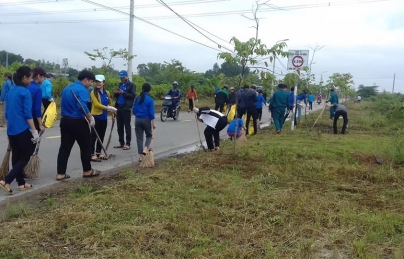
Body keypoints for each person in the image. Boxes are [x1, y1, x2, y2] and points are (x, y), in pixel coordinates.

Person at [0, 66, 39, 194]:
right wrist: (34, 131)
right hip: (22, 130)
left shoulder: (11, 90)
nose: (32, 80)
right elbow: (28, 114)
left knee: (16, 156)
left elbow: (6, 113)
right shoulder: (25, 92)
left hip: (11, 129)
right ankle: (6, 180)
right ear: (24, 78)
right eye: (30, 77)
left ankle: (21, 183)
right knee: (25, 157)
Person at [56, 70, 100, 181]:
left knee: (64, 148)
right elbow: (82, 105)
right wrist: (90, 116)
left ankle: (60, 173)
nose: (91, 84)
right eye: (90, 81)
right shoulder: (82, 90)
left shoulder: (67, 88)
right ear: (85, 79)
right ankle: (87, 171)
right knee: (86, 146)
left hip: (65, 121)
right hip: (78, 122)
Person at [90, 75, 117, 162]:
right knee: (94, 136)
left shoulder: (107, 93)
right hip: (95, 117)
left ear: (103, 83)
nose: (97, 83)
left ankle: (98, 152)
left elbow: (109, 103)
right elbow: (97, 105)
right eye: (96, 81)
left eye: (99, 82)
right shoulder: (93, 92)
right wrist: (108, 108)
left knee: (101, 135)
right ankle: (91, 154)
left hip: (104, 117)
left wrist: (112, 114)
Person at [133, 83, 156, 162]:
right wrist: (153, 123)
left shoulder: (137, 98)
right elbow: (151, 113)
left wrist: (138, 115)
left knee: (139, 138)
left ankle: (140, 157)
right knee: (149, 135)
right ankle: (145, 149)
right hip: (146, 120)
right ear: (149, 90)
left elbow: (134, 109)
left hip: (137, 119)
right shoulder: (150, 100)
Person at [113, 70, 136, 150]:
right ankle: (121, 142)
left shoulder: (131, 85)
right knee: (119, 126)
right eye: (121, 77)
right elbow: (116, 96)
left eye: (123, 77)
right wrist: (116, 93)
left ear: (126, 76)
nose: (122, 79)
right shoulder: (120, 85)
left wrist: (124, 93)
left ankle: (128, 143)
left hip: (126, 107)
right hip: (119, 106)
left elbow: (132, 96)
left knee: (127, 126)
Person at [27, 67, 47, 133]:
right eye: (43, 77)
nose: (44, 79)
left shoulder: (25, 86)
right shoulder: (38, 89)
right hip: (33, 118)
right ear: (39, 76)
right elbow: (37, 109)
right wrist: (40, 125)